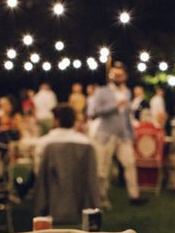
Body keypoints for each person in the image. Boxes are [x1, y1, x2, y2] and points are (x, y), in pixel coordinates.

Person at [89, 61, 145, 205]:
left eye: (120, 75)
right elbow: (95, 112)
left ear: (125, 76)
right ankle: (100, 198)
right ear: (111, 75)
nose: (117, 77)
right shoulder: (102, 91)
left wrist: (132, 133)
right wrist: (115, 106)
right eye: (115, 74)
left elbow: (126, 116)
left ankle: (134, 196)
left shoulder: (127, 92)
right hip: (105, 135)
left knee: (130, 164)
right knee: (102, 169)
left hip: (123, 135)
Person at [33, 104, 92, 173]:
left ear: (56, 121)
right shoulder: (86, 143)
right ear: (74, 121)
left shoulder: (44, 142)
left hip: (53, 183)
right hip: (77, 183)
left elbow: (38, 171)